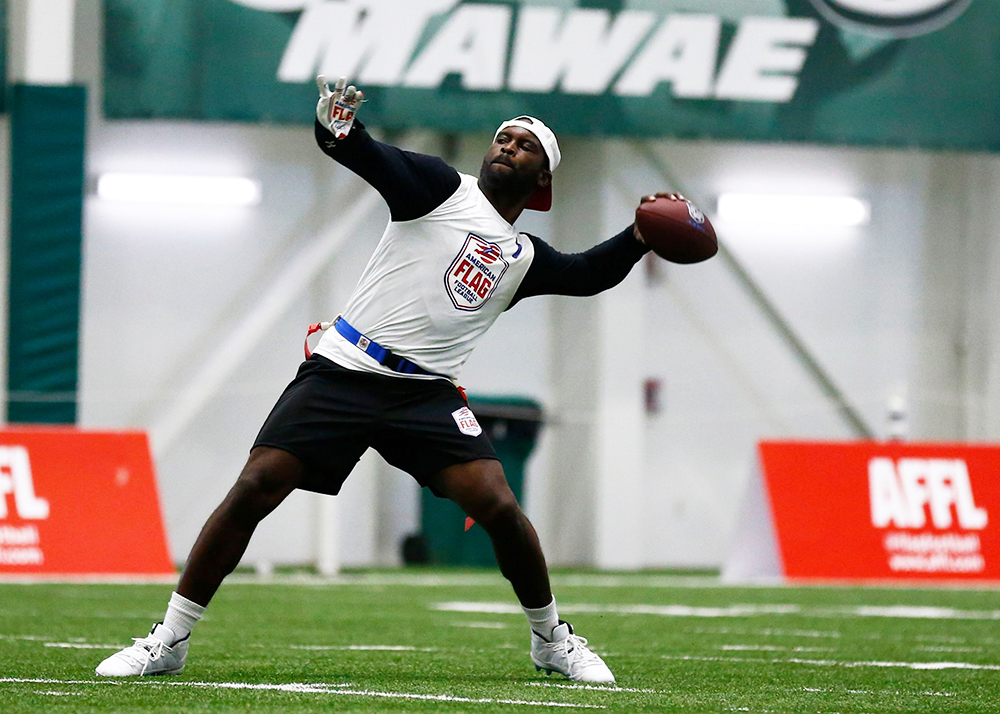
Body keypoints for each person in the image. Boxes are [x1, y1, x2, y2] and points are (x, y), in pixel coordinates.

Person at [97, 76, 679, 683]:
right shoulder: (441, 188)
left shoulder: (524, 256)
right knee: (256, 485)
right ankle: (169, 638)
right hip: (345, 369)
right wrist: (337, 125)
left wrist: (640, 237)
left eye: (525, 145)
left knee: (500, 505)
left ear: (543, 180)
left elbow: (586, 275)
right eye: (503, 138)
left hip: (425, 393)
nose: (508, 146)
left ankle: (551, 640)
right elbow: (367, 155)